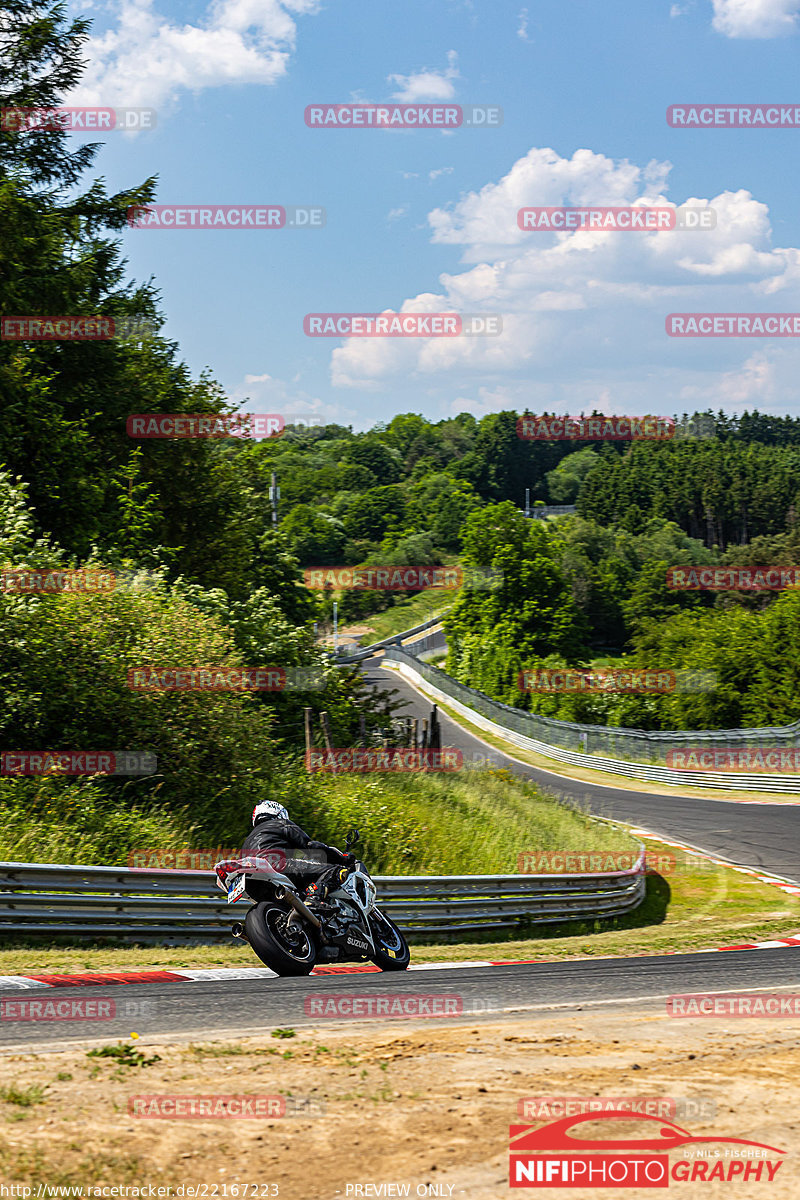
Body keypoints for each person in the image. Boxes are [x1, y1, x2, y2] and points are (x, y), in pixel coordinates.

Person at [240, 799, 356, 910]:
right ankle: (314, 898)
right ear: (277, 813)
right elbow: (309, 846)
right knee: (334, 871)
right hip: (275, 864)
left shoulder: (248, 839)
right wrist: (340, 858)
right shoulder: (281, 823)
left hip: (252, 882)